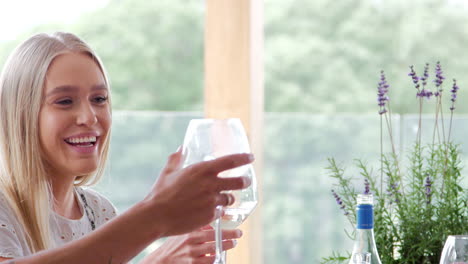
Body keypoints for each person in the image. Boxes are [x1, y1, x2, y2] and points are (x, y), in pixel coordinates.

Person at [0, 32, 253, 263]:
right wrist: (155, 215)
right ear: (20, 114)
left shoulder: (98, 211)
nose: (89, 117)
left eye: (99, 99)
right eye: (65, 101)